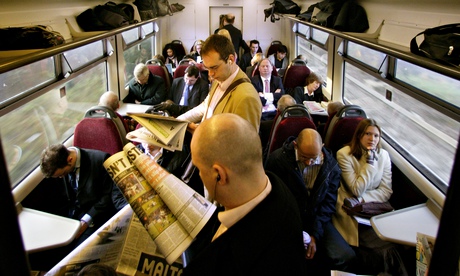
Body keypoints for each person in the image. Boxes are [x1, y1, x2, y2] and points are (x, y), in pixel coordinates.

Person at [184, 113, 307, 275]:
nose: (199, 175)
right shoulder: (278, 187)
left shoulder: (239, 262)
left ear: (219, 175)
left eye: (199, 169)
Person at [265, 128, 356, 275]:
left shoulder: (331, 167)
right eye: (304, 157)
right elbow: (272, 201)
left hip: (316, 217)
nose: (308, 162)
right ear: (295, 145)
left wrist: (315, 234)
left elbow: (327, 204)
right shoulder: (277, 161)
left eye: (313, 158)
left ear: (322, 147)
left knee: (345, 256)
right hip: (286, 219)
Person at [332, 118, 408, 275]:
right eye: (368, 134)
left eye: (376, 136)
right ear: (359, 135)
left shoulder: (384, 156)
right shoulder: (344, 155)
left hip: (371, 209)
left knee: (396, 247)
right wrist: (370, 164)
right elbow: (356, 189)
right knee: (384, 251)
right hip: (351, 212)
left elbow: (386, 191)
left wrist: (361, 200)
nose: (372, 139)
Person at [40, 144, 127, 241]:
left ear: (70, 160)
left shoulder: (100, 160)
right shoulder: (60, 166)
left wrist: (86, 221)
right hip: (73, 216)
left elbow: (106, 197)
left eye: (63, 174)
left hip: (96, 216)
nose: (62, 177)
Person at [177, 34, 262, 133]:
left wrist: (201, 134)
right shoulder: (219, 79)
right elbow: (206, 106)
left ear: (231, 59)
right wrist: (175, 123)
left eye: (214, 67)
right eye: (207, 68)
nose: (210, 74)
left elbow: (242, 145)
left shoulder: (247, 98)